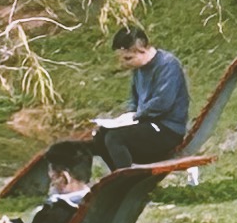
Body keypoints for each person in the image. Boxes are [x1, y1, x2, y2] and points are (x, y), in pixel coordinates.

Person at [74, 27, 189, 172]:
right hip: (146, 124)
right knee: (101, 135)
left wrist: (136, 115)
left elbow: (162, 102)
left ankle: (127, 182)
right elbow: (134, 98)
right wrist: (128, 115)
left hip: (167, 129)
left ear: (141, 50)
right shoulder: (138, 68)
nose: (125, 63)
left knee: (116, 138)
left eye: (128, 58)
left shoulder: (168, 65)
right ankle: (116, 177)